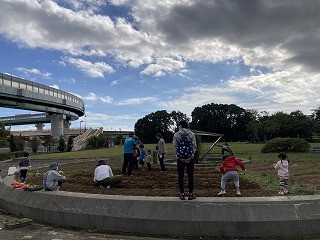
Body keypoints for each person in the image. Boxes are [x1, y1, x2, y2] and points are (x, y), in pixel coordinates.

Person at [173, 120, 197, 200]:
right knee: (190, 176)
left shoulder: (176, 135)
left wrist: (179, 157)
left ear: (180, 126)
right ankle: (191, 194)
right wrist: (191, 157)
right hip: (189, 158)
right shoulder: (191, 134)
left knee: (180, 176)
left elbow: (175, 147)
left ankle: (182, 194)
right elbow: (194, 146)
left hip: (180, 158)